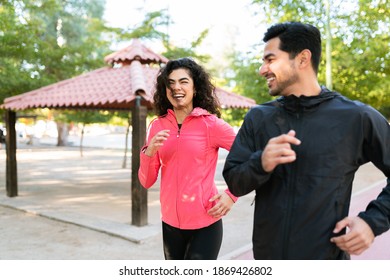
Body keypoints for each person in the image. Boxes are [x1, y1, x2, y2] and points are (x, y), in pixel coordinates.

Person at [222, 22, 390, 260]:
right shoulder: (258, 117)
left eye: (270, 60)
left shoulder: (356, 117)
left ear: (302, 59)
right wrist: (261, 162)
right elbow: (235, 182)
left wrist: (373, 222)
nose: (262, 69)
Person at [138, 57, 237, 260]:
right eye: (171, 83)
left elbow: (248, 155)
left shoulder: (212, 125)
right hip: (170, 225)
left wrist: (232, 194)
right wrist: (149, 152)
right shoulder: (157, 126)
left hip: (205, 224)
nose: (176, 88)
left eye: (183, 82)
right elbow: (146, 181)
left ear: (196, 88)